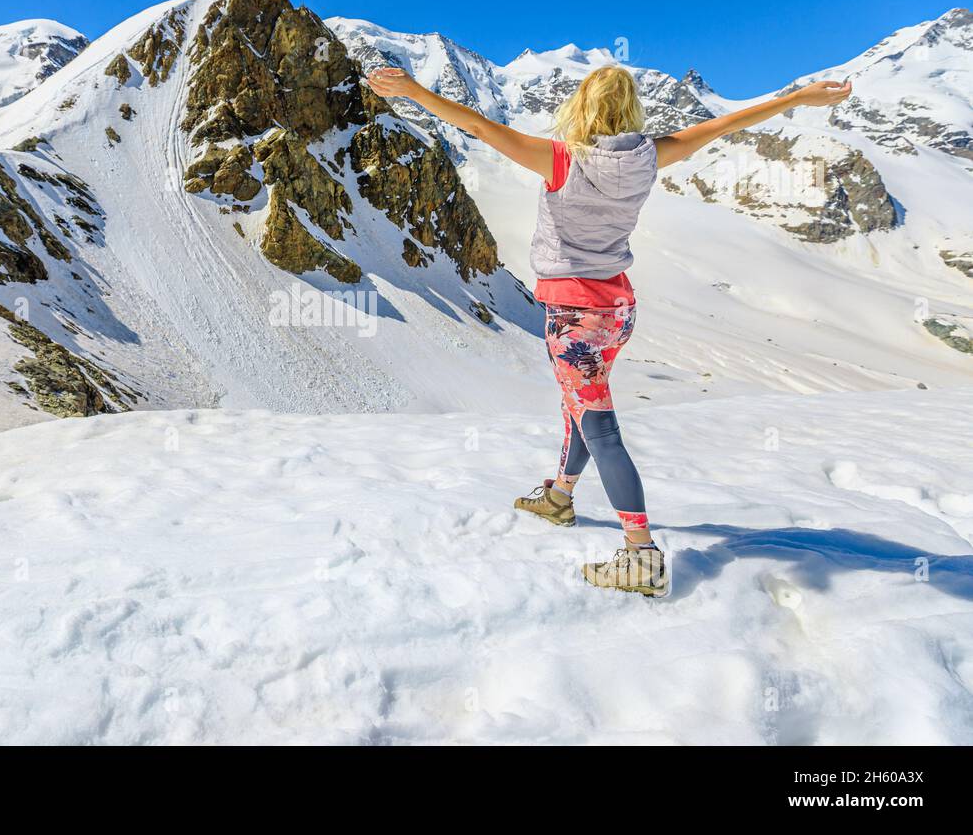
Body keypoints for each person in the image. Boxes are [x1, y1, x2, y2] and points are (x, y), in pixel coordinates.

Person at [364, 63, 852, 597]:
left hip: (573, 316)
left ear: (583, 107)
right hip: (617, 309)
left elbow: (481, 128)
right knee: (582, 406)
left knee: (600, 427)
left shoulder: (561, 160)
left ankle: (641, 555)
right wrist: (798, 97)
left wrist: (412, 91)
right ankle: (560, 497)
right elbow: (722, 126)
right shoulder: (649, 157)